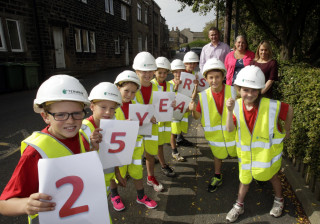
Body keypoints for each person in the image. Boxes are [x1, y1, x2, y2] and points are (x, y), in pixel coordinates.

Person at [0, 75, 91, 223]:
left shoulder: (83, 136)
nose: (70, 120)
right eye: (60, 115)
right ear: (45, 116)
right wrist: (25, 204)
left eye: (76, 113)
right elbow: (4, 205)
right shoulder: (35, 153)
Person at [225, 65, 293, 222]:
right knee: (244, 181)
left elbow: (289, 110)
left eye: (254, 90)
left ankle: (279, 200)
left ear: (260, 89)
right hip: (247, 157)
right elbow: (229, 129)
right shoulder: (235, 106)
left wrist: (287, 130)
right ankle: (239, 205)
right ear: (239, 89)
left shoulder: (271, 105)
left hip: (266, 157)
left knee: (273, 177)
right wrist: (229, 111)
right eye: (245, 90)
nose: (249, 94)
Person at [189, 58, 237, 193]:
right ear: (206, 79)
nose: (214, 80)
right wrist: (192, 109)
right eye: (211, 77)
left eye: (217, 77)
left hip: (233, 131)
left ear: (223, 77)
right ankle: (217, 175)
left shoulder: (233, 91)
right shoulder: (203, 96)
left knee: (241, 152)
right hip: (215, 136)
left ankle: (248, 174)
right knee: (217, 155)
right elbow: (197, 116)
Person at [114, 70, 157, 209]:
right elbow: (106, 127)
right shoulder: (111, 107)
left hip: (135, 147)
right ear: (117, 88)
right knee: (114, 173)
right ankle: (114, 195)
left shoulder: (136, 105)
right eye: (126, 91)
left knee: (137, 171)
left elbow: (142, 120)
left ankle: (141, 196)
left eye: (133, 92)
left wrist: (149, 118)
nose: (130, 95)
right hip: (117, 148)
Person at [81, 82, 126, 212]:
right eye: (103, 107)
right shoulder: (83, 130)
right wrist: (92, 146)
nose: (108, 112)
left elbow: (113, 153)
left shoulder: (112, 125)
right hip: (91, 186)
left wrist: (117, 173)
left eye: (112, 108)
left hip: (106, 181)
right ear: (92, 106)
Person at [132, 51, 164, 192]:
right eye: (143, 71)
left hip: (151, 127)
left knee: (150, 154)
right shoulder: (130, 89)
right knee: (134, 156)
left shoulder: (157, 87)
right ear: (136, 71)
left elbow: (161, 109)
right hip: (135, 128)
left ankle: (150, 177)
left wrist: (169, 106)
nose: (147, 74)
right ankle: (135, 183)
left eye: (150, 71)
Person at [152, 57, 176, 177]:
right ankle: (163, 165)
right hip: (154, 120)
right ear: (154, 72)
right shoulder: (151, 85)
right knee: (158, 145)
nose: (162, 75)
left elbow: (172, 100)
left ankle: (155, 159)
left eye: (165, 72)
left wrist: (173, 103)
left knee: (159, 143)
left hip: (164, 120)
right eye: (159, 72)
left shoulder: (170, 86)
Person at [168, 59, 187, 162]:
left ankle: (175, 148)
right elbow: (167, 97)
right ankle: (174, 151)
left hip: (182, 110)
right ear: (172, 72)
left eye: (180, 71)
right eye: (176, 71)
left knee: (178, 130)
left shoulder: (186, 83)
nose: (178, 74)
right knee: (173, 132)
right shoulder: (169, 84)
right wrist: (176, 87)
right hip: (172, 112)